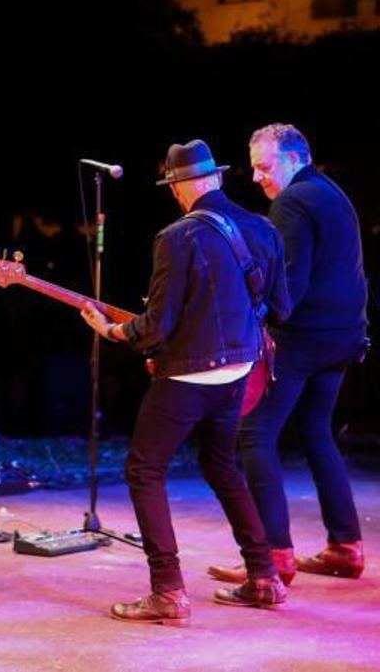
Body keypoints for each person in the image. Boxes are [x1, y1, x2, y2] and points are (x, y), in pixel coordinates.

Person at [81, 139, 290, 625]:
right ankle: (264, 577)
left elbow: (157, 326)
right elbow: (282, 307)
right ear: (214, 178)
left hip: (189, 377)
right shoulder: (262, 227)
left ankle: (168, 591)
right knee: (222, 465)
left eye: (173, 187)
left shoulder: (175, 237)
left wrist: (112, 330)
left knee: (144, 470)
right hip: (240, 371)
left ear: (181, 187)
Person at [210, 124, 369, 585]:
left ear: (295, 159)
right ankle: (346, 546)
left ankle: (272, 556)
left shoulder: (293, 202)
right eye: (254, 167)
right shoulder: (331, 192)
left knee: (255, 432)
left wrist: (251, 322)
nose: (257, 177)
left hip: (306, 337)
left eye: (265, 166)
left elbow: (289, 287)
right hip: (343, 335)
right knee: (317, 430)